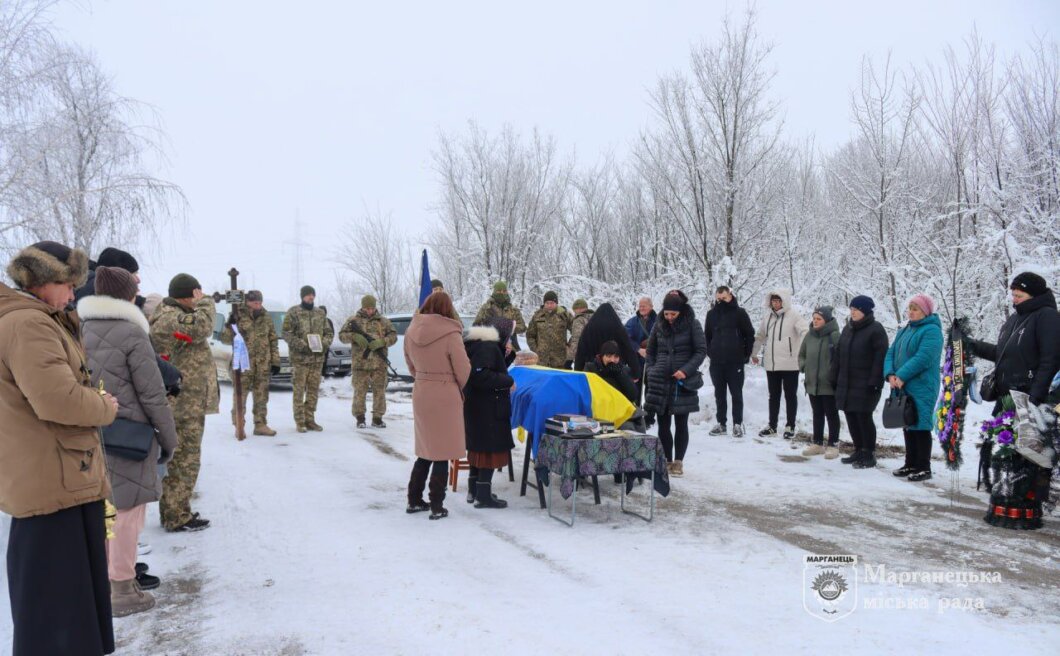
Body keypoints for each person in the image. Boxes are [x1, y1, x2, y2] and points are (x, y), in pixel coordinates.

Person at [0, 242, 119, 656]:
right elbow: (57, 399)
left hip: (57, 479)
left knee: (66, 611)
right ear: (42, 282)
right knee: (56, 617)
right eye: (68, 284)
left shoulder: (38, 319)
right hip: (52, 484)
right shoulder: (28, 325)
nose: (73, 294)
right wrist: (104, 407)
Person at [78, 266, 178, 617]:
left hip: (88, 435)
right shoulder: (132, 333)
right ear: (125, 295)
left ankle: (101, 585)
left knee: (101, 511)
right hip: (129, 439)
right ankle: (120, 589)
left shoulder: (79, 328)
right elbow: (153, 396)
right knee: (127, 515)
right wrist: (169, 439)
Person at [967, 272, 1060, 529]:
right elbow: (1003, 355)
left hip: (1030, 399)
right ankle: (1004, 505)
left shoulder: (1048, 317)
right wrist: (972, 345)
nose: (1014, 297)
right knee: (1004, 453)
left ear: (1034, 294)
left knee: (1026, 456)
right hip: (1007, 398)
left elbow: (1050, 359)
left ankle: (1024, 510)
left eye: (1019, 293)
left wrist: (1036, 397)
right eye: (1013, 293)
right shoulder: (1014, 319)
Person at [149, 273, 219, 531]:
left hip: (187, 402)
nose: (199, 300)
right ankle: (175, 516)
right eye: (196, 295)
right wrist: (207, 301)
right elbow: (202, 327)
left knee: (184, 459)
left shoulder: (174, 314)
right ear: (189, 295)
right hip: (180, 404)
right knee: (183, 460)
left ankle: (176, 511)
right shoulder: (169, 316)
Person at [404, 292, 471, 520]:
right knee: (443, 451)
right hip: (445, 393)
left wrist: (423, 377)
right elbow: (463, 369)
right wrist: (453, 385)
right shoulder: (451, 333)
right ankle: (436, 505)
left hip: (421, 391)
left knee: (425, 450)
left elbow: (410, 365)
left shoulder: (412, 330)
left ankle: (414, 499)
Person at [644, 292, 707, 477]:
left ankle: (678, 462)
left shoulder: (693, 324)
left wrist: (685, 370)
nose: (669, 318)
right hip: (660, 381)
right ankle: (666, 460)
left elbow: (701, 351)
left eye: (673, 314)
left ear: (680, 311)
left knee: (681, 423)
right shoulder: (659, 324)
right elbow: (650, 351)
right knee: (663, 424)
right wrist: (652, 370)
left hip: (682, 382)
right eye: (666, 314)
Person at [884, 294, 944, 481]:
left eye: (915, 308)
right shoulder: (905, 329)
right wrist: (890, 374)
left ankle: (923, 466)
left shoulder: (932, 331)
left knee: (921, 423)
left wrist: (901, 375)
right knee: (907, 422)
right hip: (902, 384)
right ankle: (910, 463)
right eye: (909, 307)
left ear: (925, 312)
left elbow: (924, 357)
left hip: (922, 385)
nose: (911, 311)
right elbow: (890, 353)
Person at [463, 317, 517, 508]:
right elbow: (481, 375)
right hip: (488, 407)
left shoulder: (483, 345)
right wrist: (508, 381)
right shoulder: (488, 347)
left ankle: (475, 490)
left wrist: (506, 356)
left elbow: (490, 367)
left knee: (479, 449)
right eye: (509, 336)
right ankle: (483, 496)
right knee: (488, 451)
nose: (511, 340)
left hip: (478, 406)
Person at [830, 295, 889, 469]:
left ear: (865, 311)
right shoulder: (848, 329)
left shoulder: (876, 330)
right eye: (851, 309)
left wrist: (875, 382)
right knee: (850, 415)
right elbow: (838, 355)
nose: (853, 312)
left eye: (856, 310)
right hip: (847, 382)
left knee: (863, 416)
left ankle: (868, 452)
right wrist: (833, 376)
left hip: (866, 384)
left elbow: (880, 358)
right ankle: (858, 449)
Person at [221, 290, 281, 436]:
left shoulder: (266, 317)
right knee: (240, 396)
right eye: (255, 303)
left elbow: (273, 340)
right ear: (247, 302)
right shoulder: (238, 315)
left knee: (261, 396)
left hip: (262, 364)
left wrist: (275, 361)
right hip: (243, 365)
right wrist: (230, 325)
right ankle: (239, 425)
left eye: (260, 303)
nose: (258, 305)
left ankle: (260, 424)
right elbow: (226, 339)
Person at [751, 290, 808, 439]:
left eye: (778, 301)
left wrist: (802, 351)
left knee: (790, 395)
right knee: (773, 396)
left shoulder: (794, 315)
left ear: (784, 301)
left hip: (790, 364)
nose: (775, 303)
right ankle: (772, 426)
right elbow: (760, 335)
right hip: (772, 364)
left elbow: (804, 331)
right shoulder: (768, 316)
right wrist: (754, 352)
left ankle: (790, 426)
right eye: (773, 301)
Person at [339, 295, 397, 429]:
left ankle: (377, 418)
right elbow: (342, 336)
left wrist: (383, 342)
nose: (369, 311)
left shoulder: (383, 322)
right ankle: (360, 418)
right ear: (362, 307)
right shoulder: (353, 320)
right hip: (360, 364)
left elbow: (393, 336)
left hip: (379, 364)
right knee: (359, 392)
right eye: (367, 308)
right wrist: (354, 336)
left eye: (372, 308)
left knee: (380, 391)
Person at [704, 286, 755, 437]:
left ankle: (737, 424)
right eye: (718, 299)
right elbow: (707, 336)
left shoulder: (740, 313)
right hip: (717, 362)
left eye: (724, 299)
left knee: (736, 394)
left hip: (735, 362)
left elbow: (749, 334)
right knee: (719, 395)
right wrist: (710, 352)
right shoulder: (711, 314)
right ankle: (721, 423)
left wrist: (745, 355)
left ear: (730, 296)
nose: (721, 302)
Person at [282, 285, 333, 433]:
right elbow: (286, 333)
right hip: (300, 360)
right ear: (302, 297)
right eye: (308, 295)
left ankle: (310, 419)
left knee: (313, 392)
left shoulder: (320, 313)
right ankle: (300, 421)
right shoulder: (293, 312)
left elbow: (328, 332)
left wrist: (324, 344)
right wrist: (302, 345)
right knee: (299, 391)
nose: (311, 297)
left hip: (317, 360)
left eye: (312, 295)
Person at [798, 306, 842, 458]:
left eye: (819, 319)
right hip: (812, 383)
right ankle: (817, 443)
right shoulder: (809, 336)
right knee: (817, 413)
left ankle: (833, 444)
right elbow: (801, 354)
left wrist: (832, 373)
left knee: (831, 414)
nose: (815, 321)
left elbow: (841, 358)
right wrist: (804, 366)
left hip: (828, 383)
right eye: (814, 318)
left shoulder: (835, 336)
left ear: (827, 320)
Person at [574, 302, 642, 380]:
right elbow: (628, 349)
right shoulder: (618, 327)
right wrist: (635, 372)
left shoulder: (589, 329)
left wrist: (577, 373)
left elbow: (580, 352)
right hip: (615, 370)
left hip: (593, 371)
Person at [625, 297, 657, 419]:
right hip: (636, 360)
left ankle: (649, 418)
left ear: (651, 306)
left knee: (651, 389)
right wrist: (638, 349)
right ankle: (636, 415)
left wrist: (651, 347)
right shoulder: (633, 322)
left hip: (654, 360)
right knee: (635, 388)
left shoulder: (659, 321)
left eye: (644, 305)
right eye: (640, 305)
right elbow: (626, 338)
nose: (642, 308)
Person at [473, 280, 526, 349]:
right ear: (494, 292)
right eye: (499, 291)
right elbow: (476, 326)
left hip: (510, 348)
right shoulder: (486, 308)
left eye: (504, 291)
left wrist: (508, 327)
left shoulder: (513, 310)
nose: (501, 293)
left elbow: (522, 327)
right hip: (490, 347)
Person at [584, 340, 638, 405]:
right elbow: (586, 391)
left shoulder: (624, 370)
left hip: (617, 409)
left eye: (616, 357)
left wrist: (620, 374)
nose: (612, 360)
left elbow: (632, 395)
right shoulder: (590, 368)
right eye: (609, 356)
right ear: (602, 356)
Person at [526, 290, 570, 368]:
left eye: (552, 303)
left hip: (560, 361)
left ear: (556, 303)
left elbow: (576, 332)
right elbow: (530, 335)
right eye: (547, 303)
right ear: (544, 303)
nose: (549, 305)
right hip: (541, 361)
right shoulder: (537, 316)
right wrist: (536, 350)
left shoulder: (564, 315)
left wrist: (569, 347)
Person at [567, 299, 594, 368]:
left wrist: (569, 359)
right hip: (594, 356)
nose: (578, 311)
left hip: (582, 356)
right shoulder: (595, 318)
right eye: (576, 309)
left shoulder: (578, 320)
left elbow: (577, 339)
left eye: (580, 308)